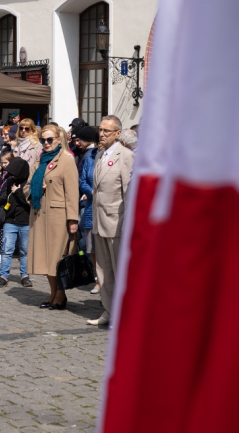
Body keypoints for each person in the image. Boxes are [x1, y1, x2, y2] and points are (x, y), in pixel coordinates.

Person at [88, 115, 135, 326]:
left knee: (119, 271)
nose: (102, 134)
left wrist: (128, 223)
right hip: (99, 220)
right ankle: (108, 310)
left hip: (117, 221)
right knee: (103, 271)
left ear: (117, 134)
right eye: (100, 130)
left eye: (107, 131)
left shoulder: (125, 156)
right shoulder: (99, 154)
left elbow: (129, 192)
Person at [28, 124, 79, 310]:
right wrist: (34, 189)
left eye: (50, 140)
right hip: (40, 215)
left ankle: (60, 295)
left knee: (57, 259)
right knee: (45, 259)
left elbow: (72, 192)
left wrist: (73, 219)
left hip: (59, 217)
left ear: (58, 139)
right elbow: (27, 184)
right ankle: (52, 294)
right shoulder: (40, 159)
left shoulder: (66, 160)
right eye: (43, 140)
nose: (46, 143)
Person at [0, 157, 32, 288]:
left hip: (25, 221)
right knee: (7, 249)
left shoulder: (29, 183)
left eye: (15, 173)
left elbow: (29, 203)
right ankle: (3, 275)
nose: (12, 176)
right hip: (10, 220)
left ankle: (25, 276)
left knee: (24, 251)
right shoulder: (10, 181)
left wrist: (18, 192)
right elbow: (6, 197)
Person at [76, 126, 100, 293]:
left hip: (108, 206)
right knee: (91, 246)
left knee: (105, 246)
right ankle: (97, 278)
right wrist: (90, 192)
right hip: (92, 203)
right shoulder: (89, 157)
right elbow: (82, 179)